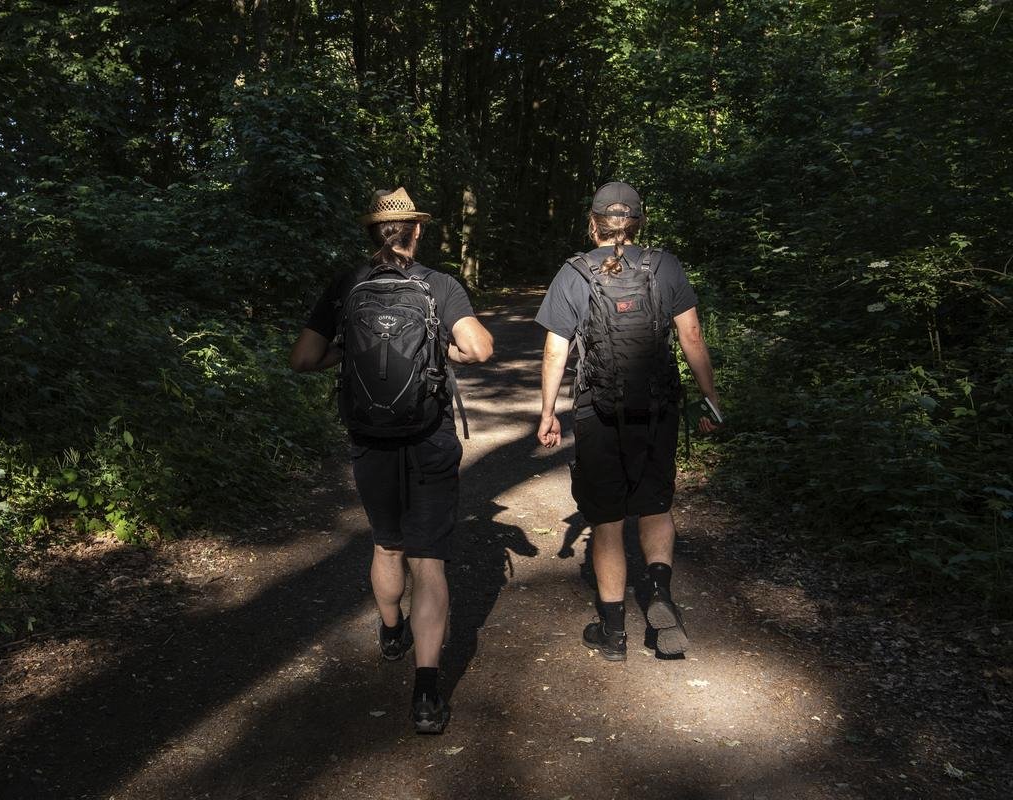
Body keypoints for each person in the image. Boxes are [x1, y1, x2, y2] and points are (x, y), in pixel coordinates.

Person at [290, 187, 493, 733]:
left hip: (369, 437)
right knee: (428, 560)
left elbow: (303, 358)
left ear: (371, 234)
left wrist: (348, 350)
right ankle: (426, 693)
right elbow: (479, 349)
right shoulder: (440, 285)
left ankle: (390, 631)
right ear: (416, 231)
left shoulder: (346, 284)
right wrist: (440, 348)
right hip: (429, 436)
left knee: (386, 542)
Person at [535, 181, 721, 661]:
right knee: (655, 506)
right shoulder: (665, 265)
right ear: (639, 221)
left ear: (592, 223)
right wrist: (710, 397)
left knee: (607, 519)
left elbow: (556, 350)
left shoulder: (573, 272)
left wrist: (548, 413)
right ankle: (659, 595)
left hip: (598, 411)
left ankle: (613, 631)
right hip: (658, 406)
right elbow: (692, 337)